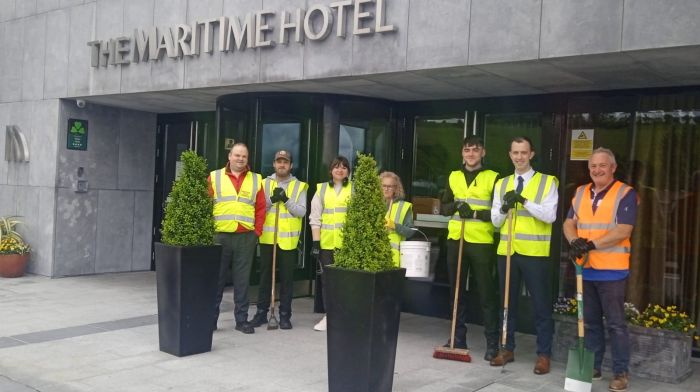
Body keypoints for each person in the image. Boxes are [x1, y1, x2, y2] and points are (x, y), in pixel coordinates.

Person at [563, 147, 637, 392]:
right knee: (590, 322)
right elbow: (568, 222)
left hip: (612, 271)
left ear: (613, 168)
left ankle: (620, 372)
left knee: (616, 324)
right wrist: (575, 242)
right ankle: (593, 366)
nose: (597, 170)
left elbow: (623, 230)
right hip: (586, 269)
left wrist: (591, 244)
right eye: (593, 166)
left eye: (602, 165)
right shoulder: (581, 192)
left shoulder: (625, 193)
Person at [490, 136, 559, 375]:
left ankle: (543, 354)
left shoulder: (547, 182)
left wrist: (524, 200)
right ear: (510, 155)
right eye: (515, 153)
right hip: (507, 252)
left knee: (541, 305)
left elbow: (550, 216)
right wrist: (504, 208)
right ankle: (506, 348)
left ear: (532, 154)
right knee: (507, 304)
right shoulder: (502, 183)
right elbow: (496, 222)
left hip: (534, 253)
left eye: (524, 152)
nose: (519, 157)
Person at [440, 136, 500, 361]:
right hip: (456, 239)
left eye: (476, 150)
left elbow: (497, 214)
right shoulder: (453, 176)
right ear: (462, 153)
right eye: (467, 150)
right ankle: (457, 336)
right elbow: (444, 207)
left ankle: (492, 343)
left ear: (483, 152)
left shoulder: (493, 177)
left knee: (486, 293)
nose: (471, 154)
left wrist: (474, 213)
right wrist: (456, 205)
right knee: (456, 292)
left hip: (481, 242)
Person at [209, 143, 266, 334]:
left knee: (242, 282)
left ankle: (241, 321)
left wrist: (256, 232)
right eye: (237, 155)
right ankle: (210, 320)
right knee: (215, 279)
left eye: (244, 156)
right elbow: (206, 205)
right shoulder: (214, 176)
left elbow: (260, 208)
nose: (240, 159)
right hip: (220, 236)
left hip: (245, 237)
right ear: (230, 156)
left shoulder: (257, 179)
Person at [249, 150, 308, 330]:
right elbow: (256, 208)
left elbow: (301, 211)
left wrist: (286, 199)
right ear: (274, 164)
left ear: (290, 165)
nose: (282, 165)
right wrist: (272, 200)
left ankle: (284, 315)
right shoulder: (263, 183)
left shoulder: (300, 186)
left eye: (285, 162)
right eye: (278, 162)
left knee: (287, 279)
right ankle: (261, 313)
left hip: (288, 241)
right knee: (265, 277)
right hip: (268, 239)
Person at [309, 156, 352, 331]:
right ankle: (330, 316)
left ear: (348, 171)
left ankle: (345, 316)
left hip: (347, 244)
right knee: (328, 282)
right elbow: (315, 218)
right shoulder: (321, 190)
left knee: (347, 282)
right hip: (327, 244)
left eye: (344, 167)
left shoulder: (354, 190)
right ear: (331, 170)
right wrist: (316, 243)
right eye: (336, 167)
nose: (340, 170)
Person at [380, 171, 414, 266]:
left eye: (390, 186)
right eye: (383, 186)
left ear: (396, 188)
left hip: (393, 259)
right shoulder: (372, 205)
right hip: (373, 257)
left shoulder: (403, 206)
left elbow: (410, 232)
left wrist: (395, 226)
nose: (386, 189)